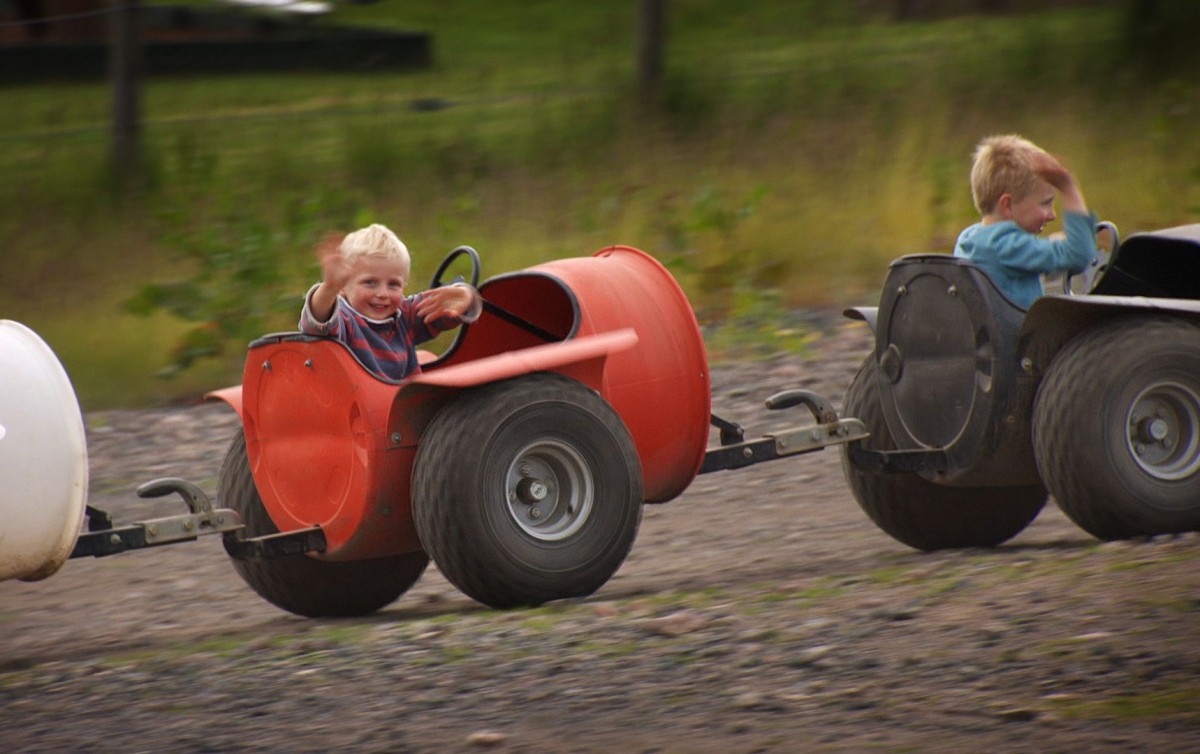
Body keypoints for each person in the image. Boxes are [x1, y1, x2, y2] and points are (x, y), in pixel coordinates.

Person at [299, 223, 481, 380]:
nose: (383, 294)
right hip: (361, 411)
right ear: (343, 286)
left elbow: (446, 309)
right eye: (370, 283)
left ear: (404, 285)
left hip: (405, 407)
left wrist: (465, 297)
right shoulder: (345, 321)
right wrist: (329, 288)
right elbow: (317, 324)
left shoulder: (404, 315)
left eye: (393, 284)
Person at [953, 134, 1098, 309]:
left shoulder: (969, 239)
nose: (1052, 215)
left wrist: (1049, 245)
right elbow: (1079, 255)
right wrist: (1068, 187)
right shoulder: (1009, 247)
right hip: (1020, 335)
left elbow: (1012, 252)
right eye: (1045, 203)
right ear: (1007, 205)